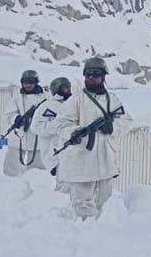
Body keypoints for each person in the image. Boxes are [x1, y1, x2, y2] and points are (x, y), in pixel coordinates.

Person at [54, 57, 131, 219]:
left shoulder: (113, 100)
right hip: (81, 159)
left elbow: (126, 121)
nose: (91, 78)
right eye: (88, 74)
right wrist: (73, 132)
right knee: (82, 203)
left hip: (105, 160)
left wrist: (112, 127)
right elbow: (61, 124)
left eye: (95, 74)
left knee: (105, 202)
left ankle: (101, 232)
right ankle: (85, 234)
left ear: (103, 77)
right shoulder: (76, 100)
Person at [30, 76, 72, 193]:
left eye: (69, 87)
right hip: (55, 154)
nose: (68, 90)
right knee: (64, 187)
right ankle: (58, 208)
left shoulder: (73, 104)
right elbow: (36, 127)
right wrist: (56, 127)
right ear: (57, 89)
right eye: (65, 88)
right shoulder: (47, 106)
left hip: (71, 152)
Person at [2, 70, 47, 176]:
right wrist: (16, 119)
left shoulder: (45, 98)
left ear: (36, 82)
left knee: (38, 171)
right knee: (11, 168)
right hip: (19, 136)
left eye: (31, 82)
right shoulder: (17, 98)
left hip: (37, 138)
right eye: (25, 82)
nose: (28, 85)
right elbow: (8, 114)